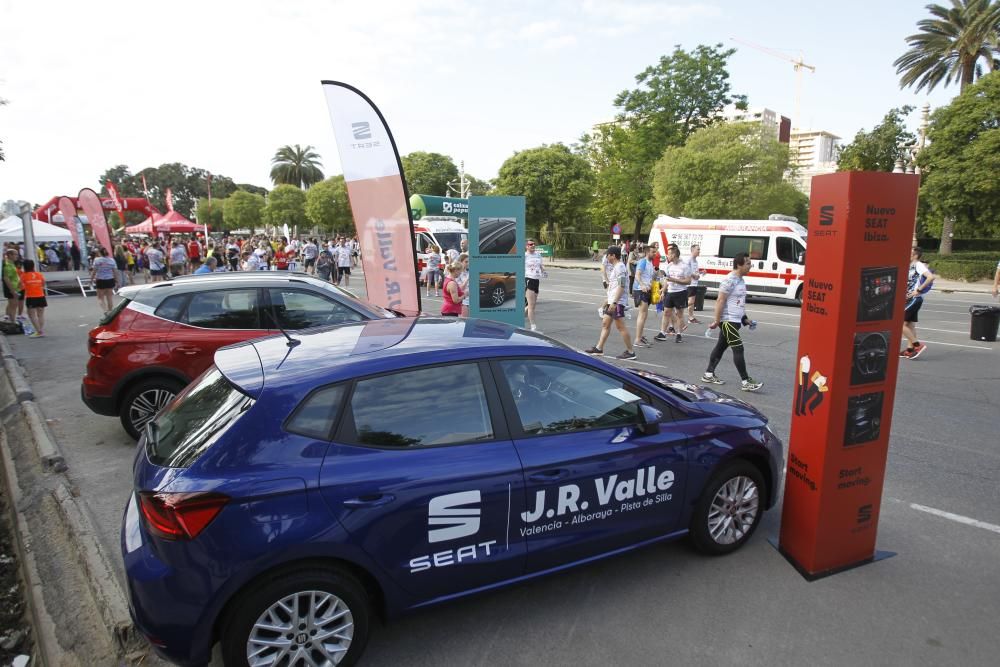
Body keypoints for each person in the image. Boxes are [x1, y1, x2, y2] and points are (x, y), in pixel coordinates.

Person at [701, 253, 763, 391]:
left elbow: (738, 303)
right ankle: (746, 381)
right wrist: (717, 320)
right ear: (739, 264)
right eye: (748, 263)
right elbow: (720, 300)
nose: (750, 266)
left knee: (720, 347)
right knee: (738, 348)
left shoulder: (741, 280)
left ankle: (708, 374)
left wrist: (745, 319)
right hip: (727, 321)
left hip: (736, 320)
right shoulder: (729, 280)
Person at [585, 246, 636, 359]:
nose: (606, 257)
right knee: (605, 324)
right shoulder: (616, 267)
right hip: (612, 300)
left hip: (617, 302)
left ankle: (630, 352)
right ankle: (599, 348)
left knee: (620, 327)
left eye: (607, 254)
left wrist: (614, 302)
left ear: (613, 255)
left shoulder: (620, 267)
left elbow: (622, 285)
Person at [901, 246, 936, 359]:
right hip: (909, 299)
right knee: (910, 325)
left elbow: (930, 277)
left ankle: (917, 345)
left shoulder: (918, 265)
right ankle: (910, 350)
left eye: (910, 252)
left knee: (900, 324)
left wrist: (919, 290)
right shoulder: (910, 265)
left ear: (915, 255)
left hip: (914, 299)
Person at [655, 244, 692, 343]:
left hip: (680, 292)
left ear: (674, 255)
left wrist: (674, 280)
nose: (667, 256)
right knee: (666, 312)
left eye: (669, 254)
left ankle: (679, 334)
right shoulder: (669, 266)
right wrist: (663, 289)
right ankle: (662, 333)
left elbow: (688, 281)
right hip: (670, 292)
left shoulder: (684, 266)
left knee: (679, 314)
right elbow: (667, 280)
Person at [633, 245, 658, 347]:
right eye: (653, 252)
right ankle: (637, 340)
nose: (655, 254)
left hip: (647, 290)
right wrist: (642, 285)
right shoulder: (643, 261)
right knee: (642, 315)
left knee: (644, 315)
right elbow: (637, 275)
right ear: (648, 253)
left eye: (655, 252)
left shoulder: (650, 263)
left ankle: (640, 336)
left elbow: (650, 277)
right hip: (640, 290)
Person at [20, 260, 46, 338]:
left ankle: (39, 332)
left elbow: (20, 285)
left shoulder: (24, 275)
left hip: (31, 297)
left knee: (31, 315)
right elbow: (43, 283)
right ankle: (40, 330)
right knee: (40, 315)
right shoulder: (39, 274)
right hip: (41, 296)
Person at [524, 239, 544, 331]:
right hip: (529, 279)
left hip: (536, 280)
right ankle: (533, 327)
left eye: (534, 244)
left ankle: (520, 316)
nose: (533, 245)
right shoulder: (524, 256)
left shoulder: (538, 255)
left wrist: (543, 271)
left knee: (533, 305)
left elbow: (540, 266)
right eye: (530, 244)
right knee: (531, 306)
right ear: (526, 246)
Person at [90, 247, 118, 314]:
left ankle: (105, 310)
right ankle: (110, 311)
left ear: (100, 253)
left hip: (100, 279)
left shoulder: (97, 260)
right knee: (109, 297)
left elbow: (94, 271)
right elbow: (115, 271)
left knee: (100, 297)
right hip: (110, 279)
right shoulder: (112, 260)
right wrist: (117, 280)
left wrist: (91, 279)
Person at [686, 244, 704, 324]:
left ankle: (691, 317)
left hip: (694, 283)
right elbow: (686, 271)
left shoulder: (695, 261)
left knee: (692, 302)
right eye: (698, 249)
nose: (699, 251)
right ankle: (678, 308)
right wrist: (694, 276)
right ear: (692, 250)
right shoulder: (689, 260)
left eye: (699, 249)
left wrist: (701, 272)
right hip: (690, 283)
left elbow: (694, 271)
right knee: (691, 301)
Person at [2, 249, 22, 323]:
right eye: (15, 254)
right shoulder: (7, 264)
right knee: (13, 305)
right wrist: (13, 290)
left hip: (15, 287)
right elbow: (6, 278)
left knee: (13, 305)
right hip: (11, 288)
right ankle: (13, 322)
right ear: (10, 255)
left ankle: (12, 321)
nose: (17, 256)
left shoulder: (11, 263)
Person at [457, 253, 470, 318]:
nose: (468, 263)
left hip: (472, 300)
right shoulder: (457, 274)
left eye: (469, 262)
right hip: (464, 301)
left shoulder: (469, 272)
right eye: (466, 262)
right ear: (461, 262)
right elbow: (460, 288)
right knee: (465, 321)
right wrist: (468, 279)